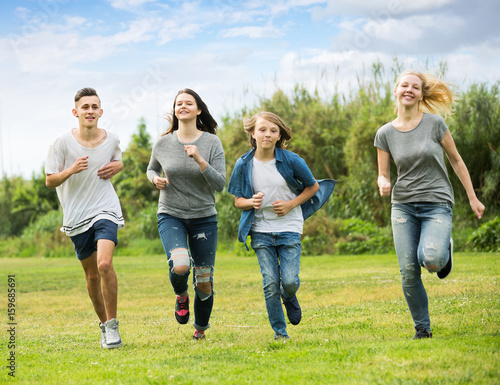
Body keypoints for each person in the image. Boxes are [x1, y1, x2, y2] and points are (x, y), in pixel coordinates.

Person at [374, 71, 485, 340]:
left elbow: (456, 161)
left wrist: (472, 197)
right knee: (409, 271)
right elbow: (384, 173)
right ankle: (422, 328)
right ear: (395, 90)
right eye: (404, 85)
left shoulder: (435, 123)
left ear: (421, 94)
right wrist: (383, 182)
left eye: (415, 87)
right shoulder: (385, 133)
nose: (409, 90)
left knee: (431, 260)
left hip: (437, 202)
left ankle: (444, 248)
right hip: (402, 206)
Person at [227, 111, 336, 340]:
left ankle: (289, 296)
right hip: (260, 229)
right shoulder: (243, 164)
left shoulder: (291, 160)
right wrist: (251, 201)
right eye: (262, 130)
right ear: (253, 133)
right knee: (270, 283)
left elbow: (313, 187)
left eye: (273, 131)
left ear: (279, 136)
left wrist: (290, 204)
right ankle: (280, 333)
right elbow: (238, 201)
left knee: (288, 281)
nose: (267, 134)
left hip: (289, 226)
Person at [45, 87, 125, 349]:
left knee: (104, 265)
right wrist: (71, 170)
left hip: (105, 208)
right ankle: (103, 325)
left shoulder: (112, 139)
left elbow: (117, 160)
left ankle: (113, 327)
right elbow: (49, 180)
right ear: (75, 112)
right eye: (85, 107)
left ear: (101, 112)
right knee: (92, 276)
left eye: (94, 107)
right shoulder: (61, 143)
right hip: (77, 215)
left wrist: (119, 165)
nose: (89, 111)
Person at [147, 89, 226, 341]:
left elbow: (220, 184)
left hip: (204, 216)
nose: (183, 106)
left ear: (198, 109)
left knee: (204, 280)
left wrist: (200, 160)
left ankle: (200, 330)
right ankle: (181, 295)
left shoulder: (212, 143)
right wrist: (155, 180)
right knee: (181, 265)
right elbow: (151, 169)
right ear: (175, 110)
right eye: (178, 103)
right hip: (171, 213)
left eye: (188, 103)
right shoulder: (163, 142)